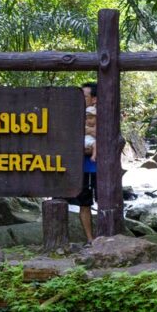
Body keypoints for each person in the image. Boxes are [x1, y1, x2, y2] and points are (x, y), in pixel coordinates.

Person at [69, 82, 98, 244]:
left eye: (84, 96)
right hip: (82, 168)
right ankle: (90, 240)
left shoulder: (101, 115)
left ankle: (109, 240)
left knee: (106, 203)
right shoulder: (74, 116)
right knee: (84, 204)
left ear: (94, 99)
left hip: (102, 168)